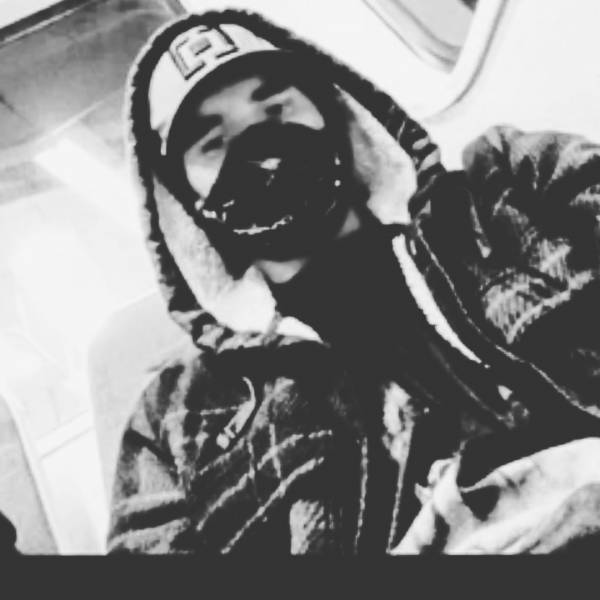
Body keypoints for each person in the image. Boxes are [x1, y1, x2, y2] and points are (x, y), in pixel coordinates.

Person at [107, 9, 600, 554]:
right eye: (214, 142)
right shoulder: (176, 416)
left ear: (334, 111)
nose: (262, 148)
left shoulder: (513, 184)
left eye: (276, 108)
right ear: (184, 204)